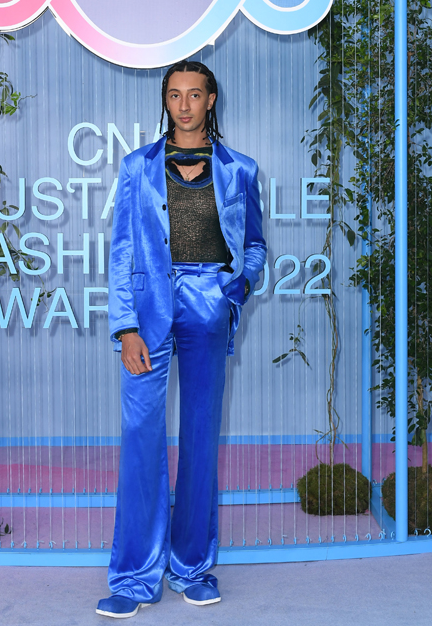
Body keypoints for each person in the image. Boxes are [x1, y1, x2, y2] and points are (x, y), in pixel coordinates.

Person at [96, 60, 267, 618]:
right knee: (141, 437)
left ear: (211, 100)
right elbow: (122, 250)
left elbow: (255, 248)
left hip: (208, 307)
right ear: (165, 101)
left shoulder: (240, 170)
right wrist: (125, 326)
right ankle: (134, 578)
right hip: (148, 312)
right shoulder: (137, 167)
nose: (184, 105)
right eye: (175, 95)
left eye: (195, 94)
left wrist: (235, 289)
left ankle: (192, 566)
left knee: (199, 439)